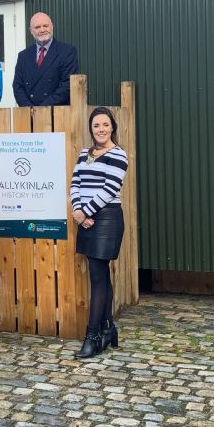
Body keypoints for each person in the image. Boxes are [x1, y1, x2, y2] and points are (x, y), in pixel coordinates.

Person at [70, 106, 128, 358]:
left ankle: (92, 335)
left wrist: (86, 212)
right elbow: (75, 182)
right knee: (100, 273)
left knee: (97, 274)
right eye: (96, 126)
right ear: (91, 129)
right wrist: (78, 210)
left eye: (105, 125)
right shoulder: (85, 154)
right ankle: (108, 329)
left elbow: (109, 189)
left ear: (112, 127)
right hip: (86, 217)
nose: (101, 129)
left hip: (107, 219)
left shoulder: (118, 155)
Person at [12, 11, 79, 107]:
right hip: (29, 115)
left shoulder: (67, 52)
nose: (42, 30)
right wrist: (29, 109)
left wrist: (42, 109)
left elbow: (67, 85)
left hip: (57, 114)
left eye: (45, 26)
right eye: (37, 27)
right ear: (31, 31)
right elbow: (17, 86)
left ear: (52, 27)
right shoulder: (23, 56)